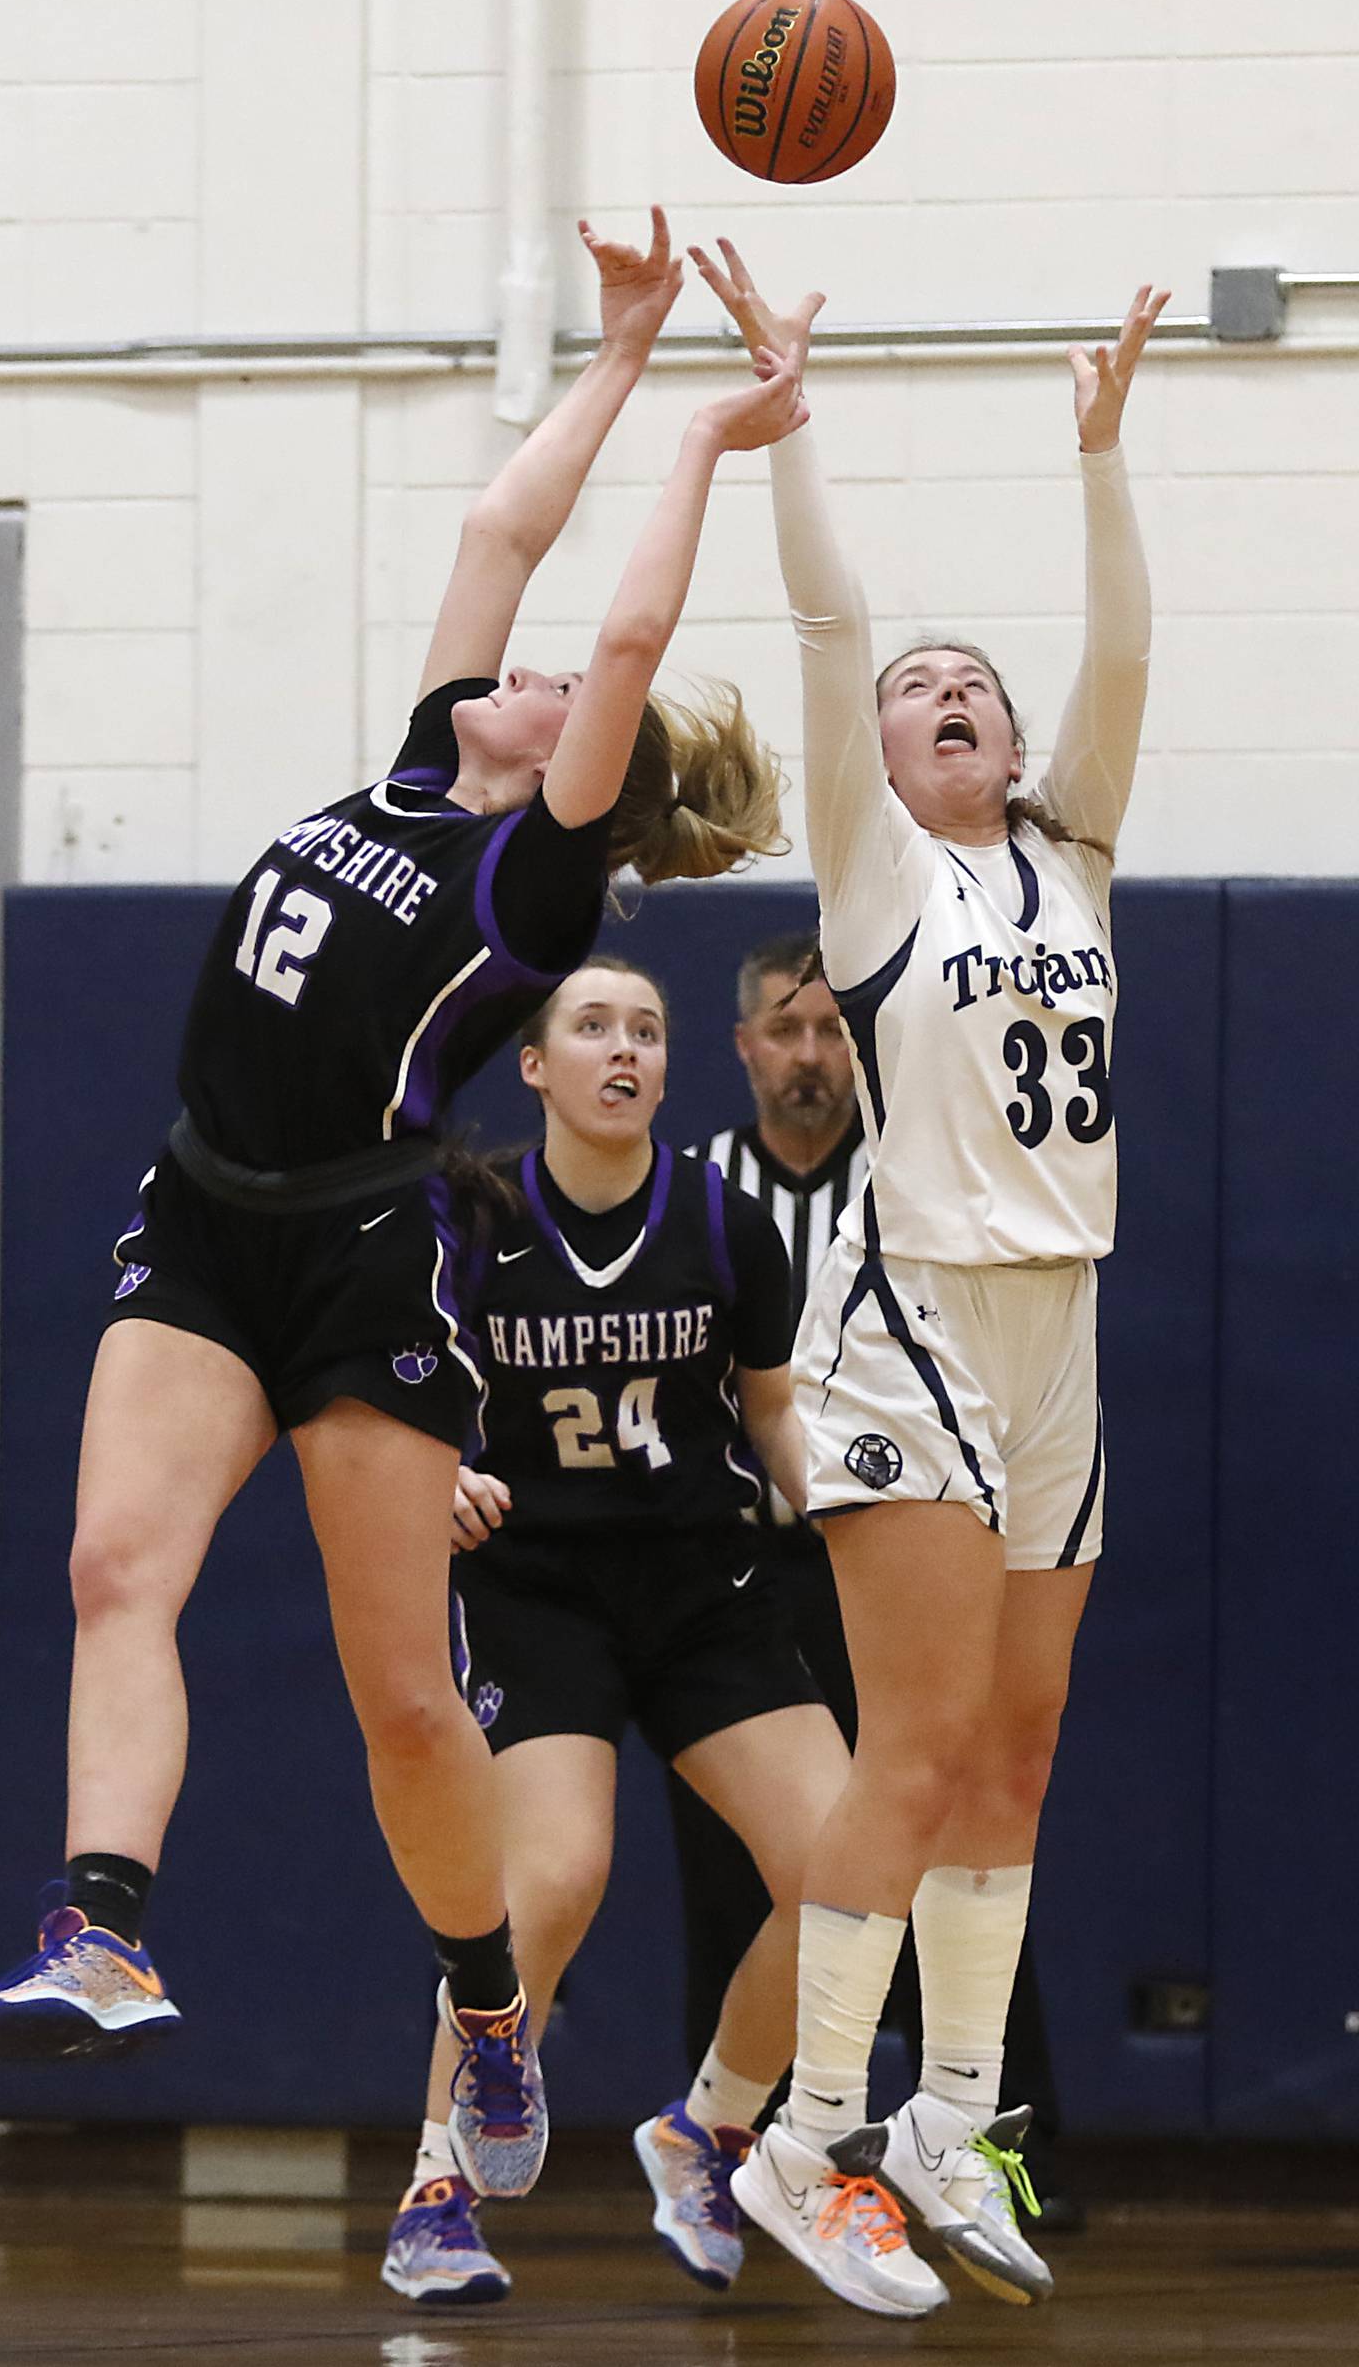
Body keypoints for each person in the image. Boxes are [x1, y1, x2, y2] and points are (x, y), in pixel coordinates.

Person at [0, 211, 806, 2244]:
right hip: (205, 1210)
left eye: (553, 697)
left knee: (405, 1703)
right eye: (501, 668)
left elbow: (606, 640)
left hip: (362, 1260)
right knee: (111, 1568)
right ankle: (104, 1924)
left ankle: (486, 2004)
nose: (517, 665)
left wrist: (711, 437)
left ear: (589, 793)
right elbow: (501, 534)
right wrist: (612, 354)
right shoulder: (414, 768)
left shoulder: (531, 887)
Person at [692, 234, 1167, 2315]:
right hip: (912, 1322)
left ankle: (952, 2116)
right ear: (880, 767)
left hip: (1063, 1317)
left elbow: (1127, 663)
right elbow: (830, 616)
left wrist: (1101, 460)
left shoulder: (1073, 852)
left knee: (1021, 1745)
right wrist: (788, 427)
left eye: (971, 683)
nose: (945, 688)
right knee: (918, 1740)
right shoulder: (880, 881)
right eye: (916, 693)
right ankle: (805, 2143)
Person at [384, 959, 926, 2310]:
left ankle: (710, 2128)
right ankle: (435, 2184)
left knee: (847, 1878)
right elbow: (383, 1398)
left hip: (705, 1584)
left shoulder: (726, 1220)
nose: (623, 1049)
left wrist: (858, 1510)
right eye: (592, 1027)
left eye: (647, 1030)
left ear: (671, 1069)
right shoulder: (471, 1211)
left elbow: (772, 1409)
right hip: (537, 1586)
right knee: (554, 1878)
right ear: (537, 1064)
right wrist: (427, 1473)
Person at [671, 934, 1080, 2222]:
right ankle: (738, 2162)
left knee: (957, 1811)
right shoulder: (703, 1196)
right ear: (743, 1048)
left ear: (865, 1046)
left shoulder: (921, 1187)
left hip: (909, 1557)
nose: (808, 1057)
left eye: (829, 1033)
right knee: (748, 1882)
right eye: (783, 1033)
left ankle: (1002, 2148)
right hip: (751, 1576)